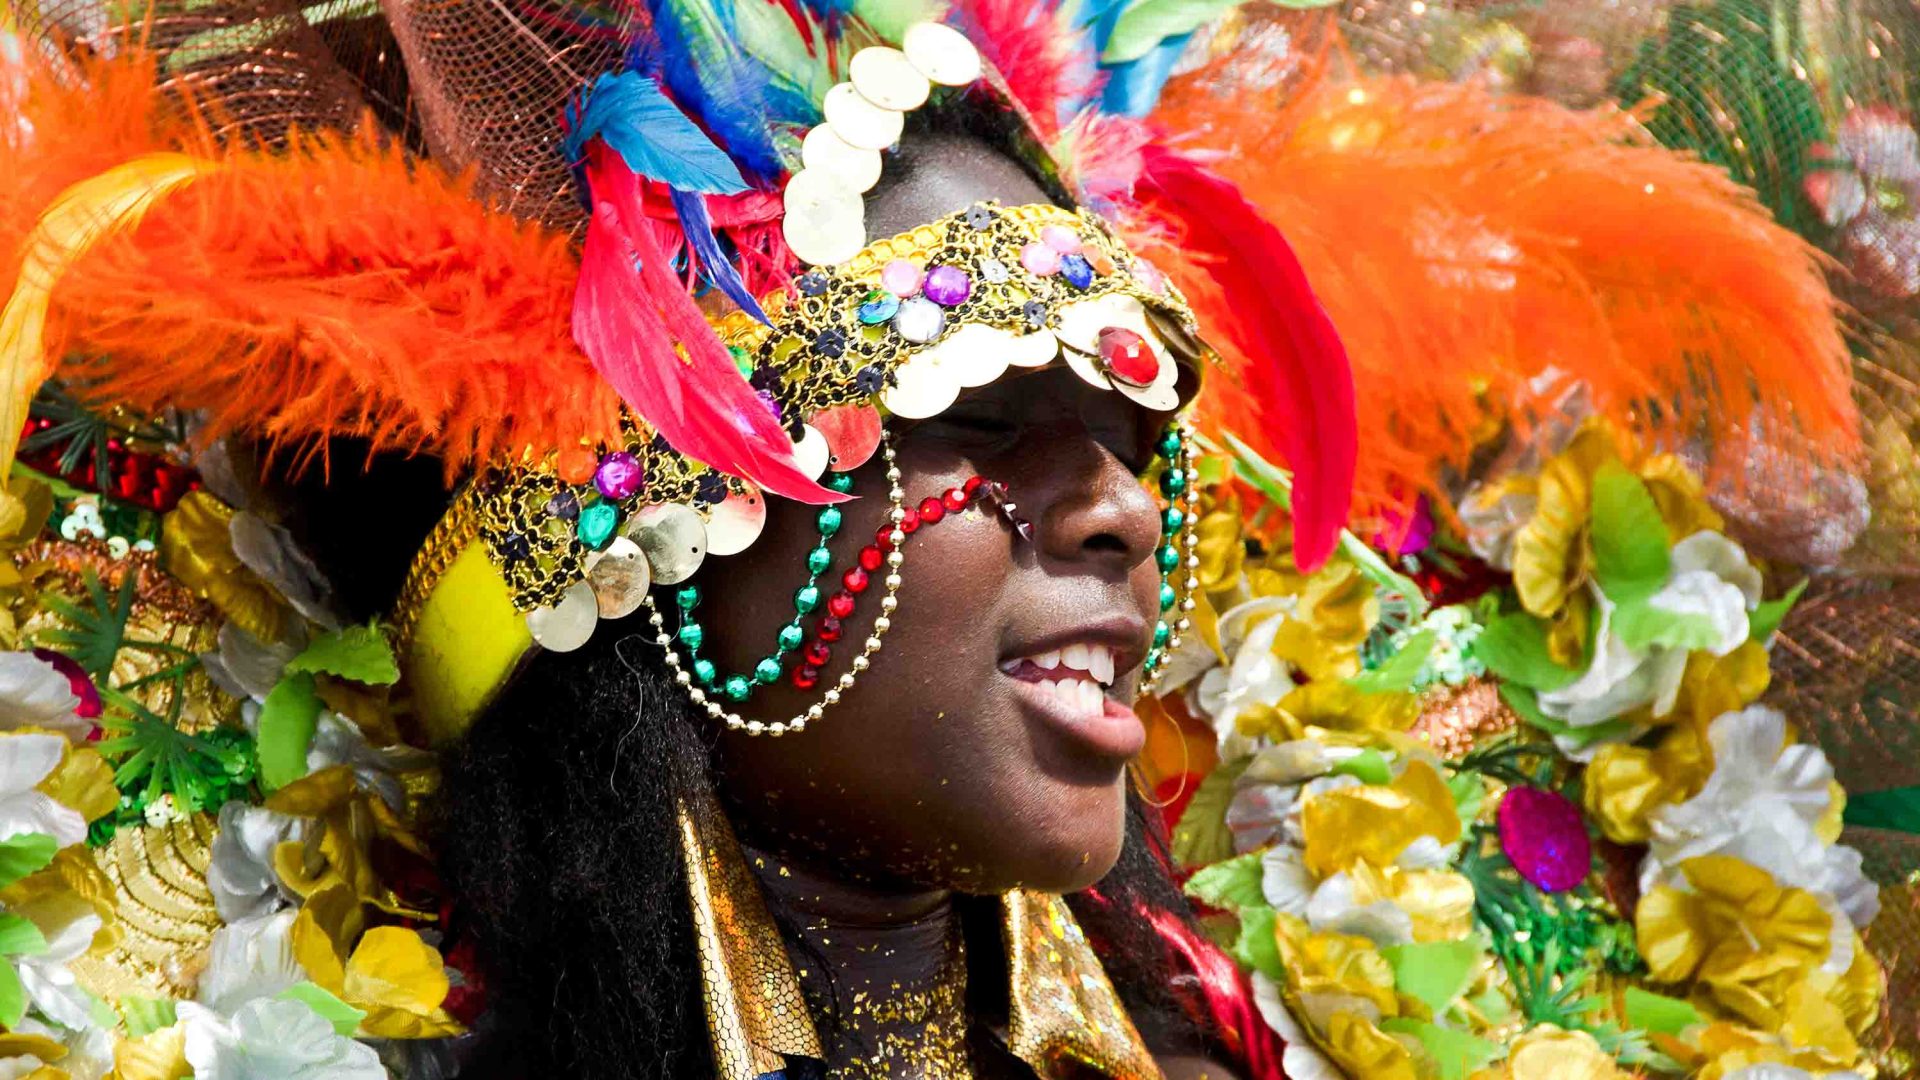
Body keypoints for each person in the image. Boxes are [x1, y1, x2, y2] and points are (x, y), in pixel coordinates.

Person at [0, 2, 1352, 1077]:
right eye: (983, 410)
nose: (1118, 509)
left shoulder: (1240, 1043)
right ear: (651, 546)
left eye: (1131, 443)